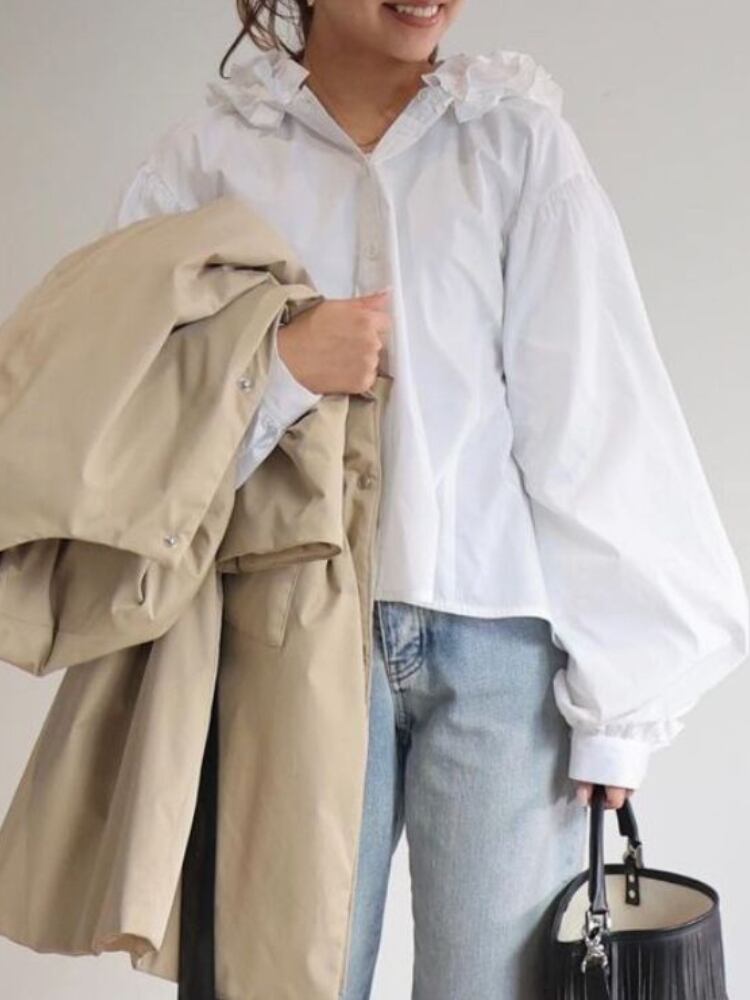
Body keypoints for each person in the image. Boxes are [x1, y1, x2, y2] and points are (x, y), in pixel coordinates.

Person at [106, 1, 749, 996]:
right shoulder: (210, 160)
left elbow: (590, 417)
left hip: (502, 661)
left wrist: (621, 706)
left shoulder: (515, 143)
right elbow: (127, 429)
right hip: (283, 640)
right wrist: (279, 369)